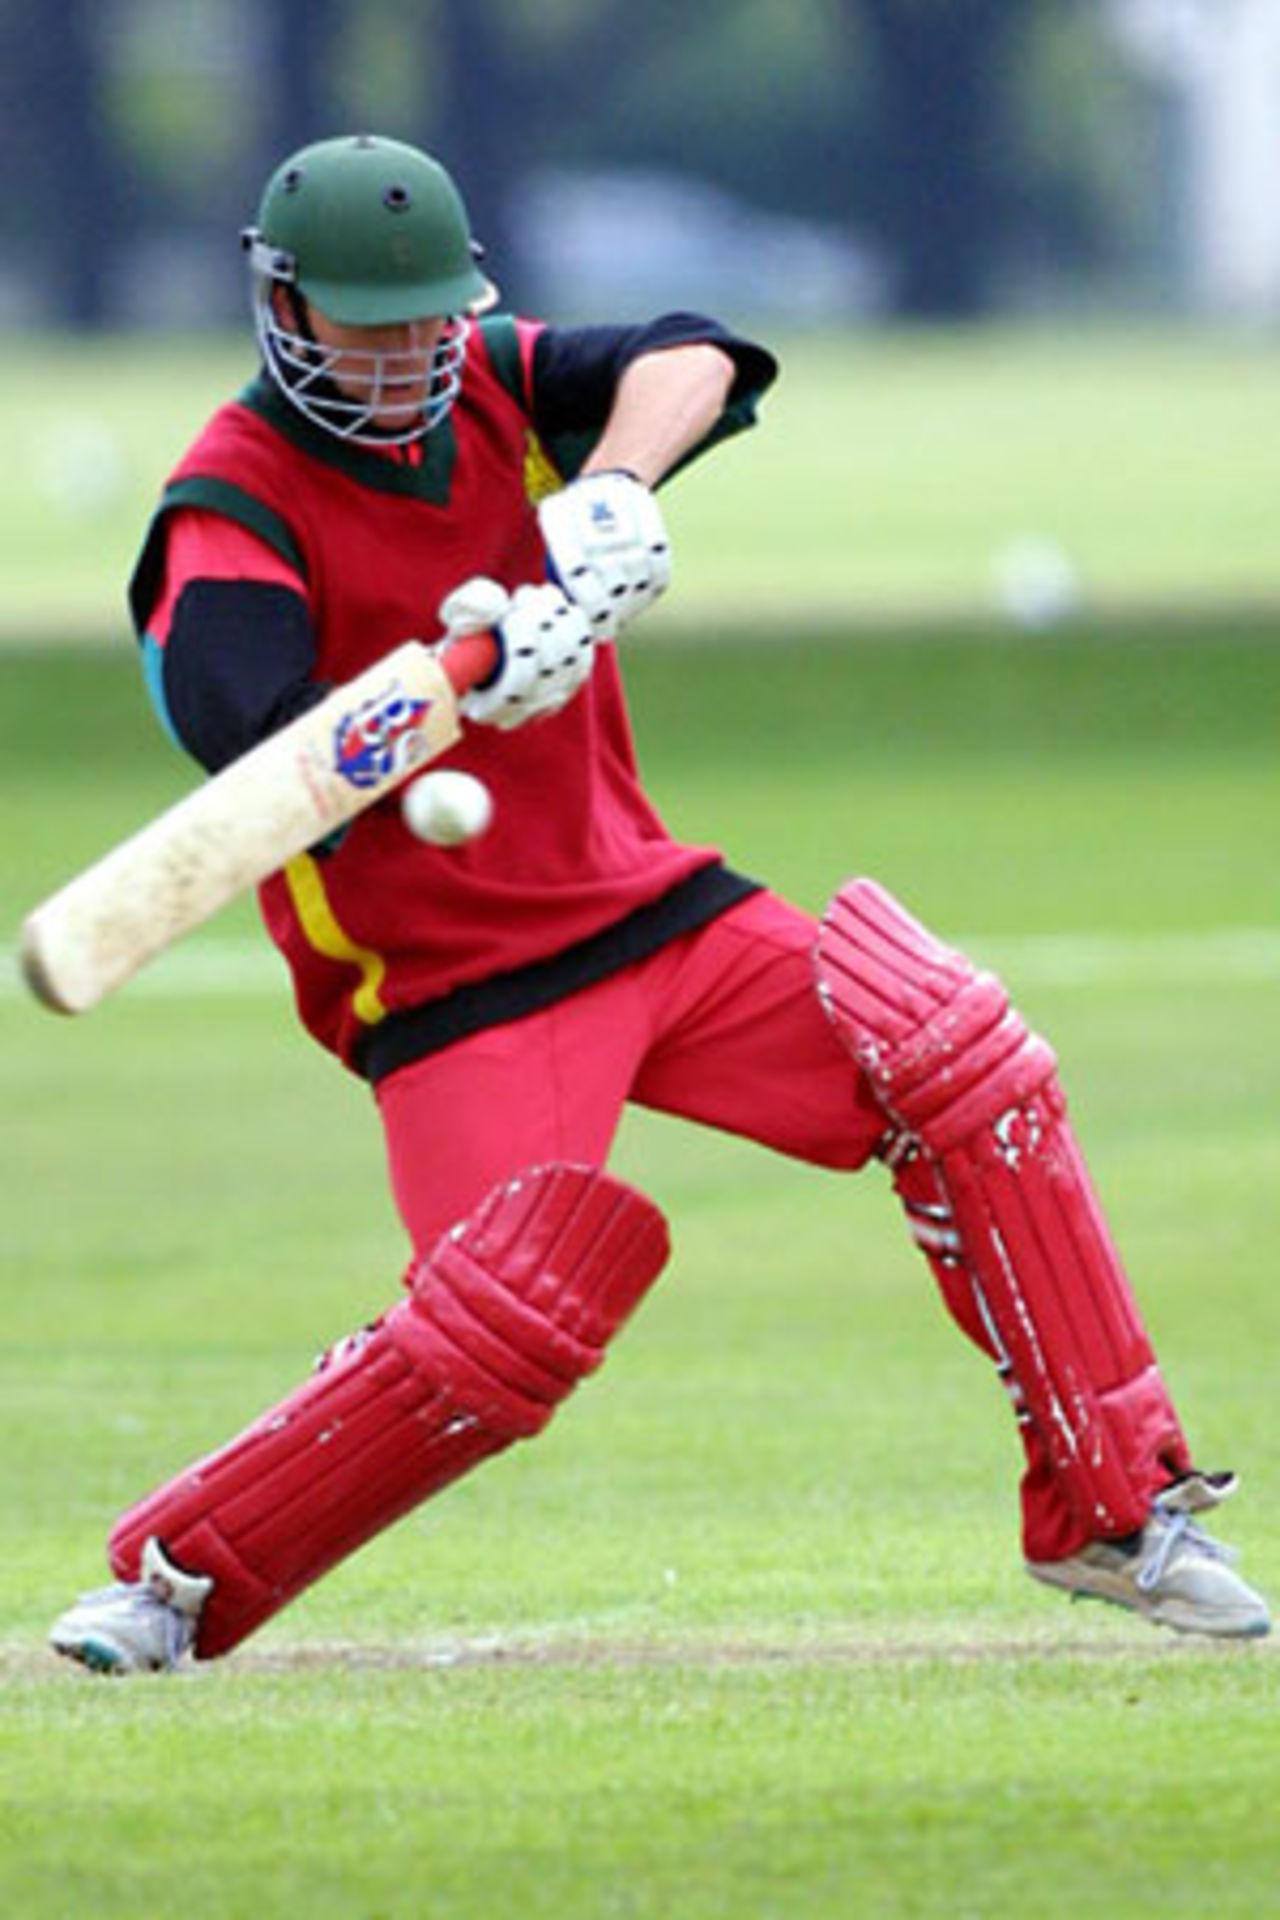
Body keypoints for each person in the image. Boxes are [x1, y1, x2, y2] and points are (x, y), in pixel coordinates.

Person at [50, 133, 1268, 1675]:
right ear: (280, 310)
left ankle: (1114, 1507)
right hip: (456, 990)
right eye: (368, 326)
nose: (405, 356)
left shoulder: (493, 384)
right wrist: (469, 675)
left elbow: (704, 350)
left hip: (658, 918)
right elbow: (248, 739)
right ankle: (176, 1582)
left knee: (959, 1058)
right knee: (502, 1329)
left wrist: (611, 495)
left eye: (429, 318)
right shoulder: (231, 503)